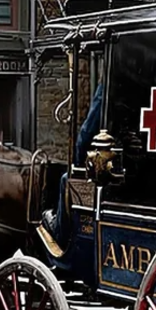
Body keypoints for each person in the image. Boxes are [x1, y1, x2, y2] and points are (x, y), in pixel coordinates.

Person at [42, 81, 105, 248]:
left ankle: (60, 234)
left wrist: (78, 164)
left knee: (66, 179)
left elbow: (87, 133)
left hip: (113, 178)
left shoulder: (109, 83)